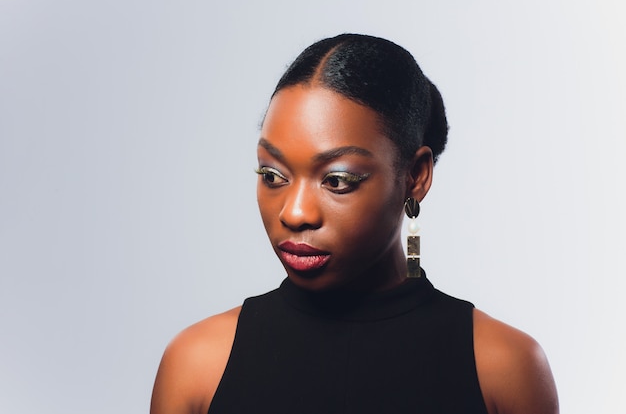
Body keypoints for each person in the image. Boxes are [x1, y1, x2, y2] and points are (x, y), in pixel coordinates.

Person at [150, 33, 559, 414]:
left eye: (337, 180)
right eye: (272, 175)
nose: (294, 213)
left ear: (415, 176)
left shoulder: (505, 369)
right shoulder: (198, 363)